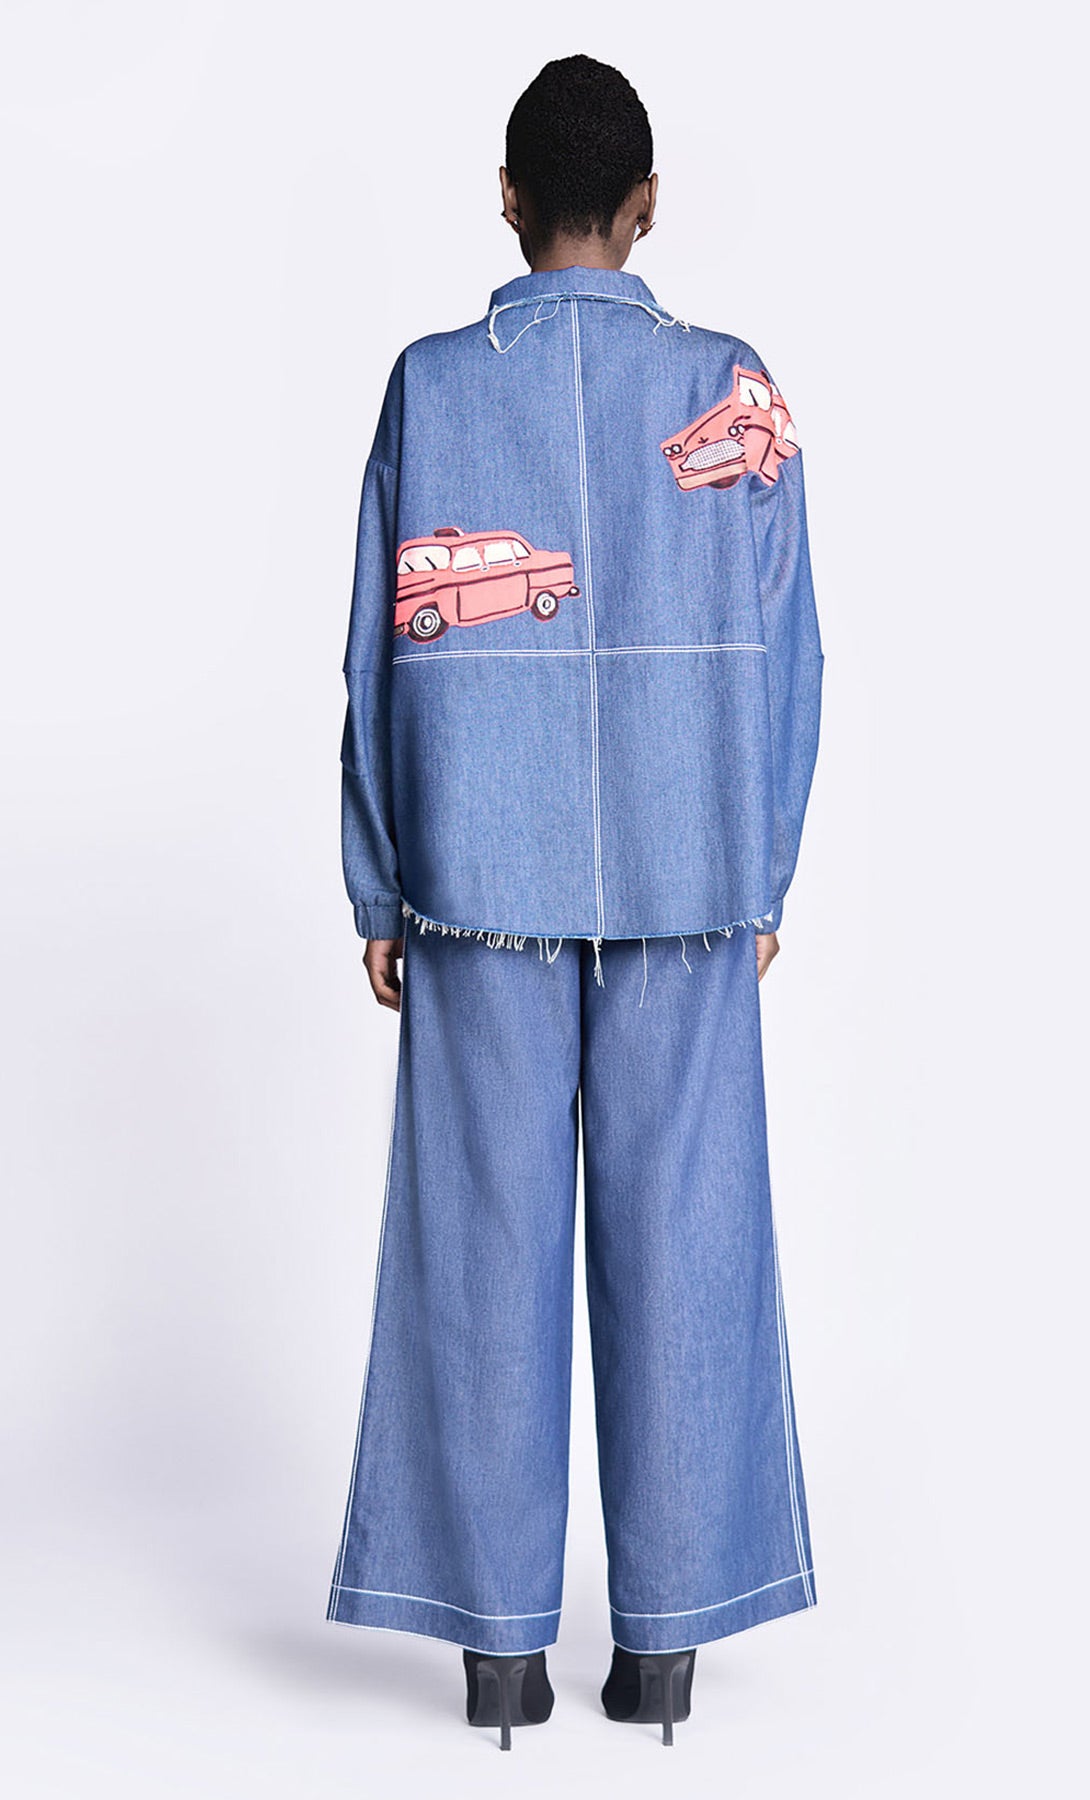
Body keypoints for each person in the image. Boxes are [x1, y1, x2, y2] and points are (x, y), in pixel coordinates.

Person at [326, 53, 825, 1750]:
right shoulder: (734, 389)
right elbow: (792, 643)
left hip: (479, 877)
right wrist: (763, 864)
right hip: (692, 873)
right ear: (649, 205)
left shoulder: (431, 387)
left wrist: (381, 875)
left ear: (508, 198)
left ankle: (496, 1659)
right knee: (690, 1240)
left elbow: (378, 647)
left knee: (482, 1244)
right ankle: (665, 1655)